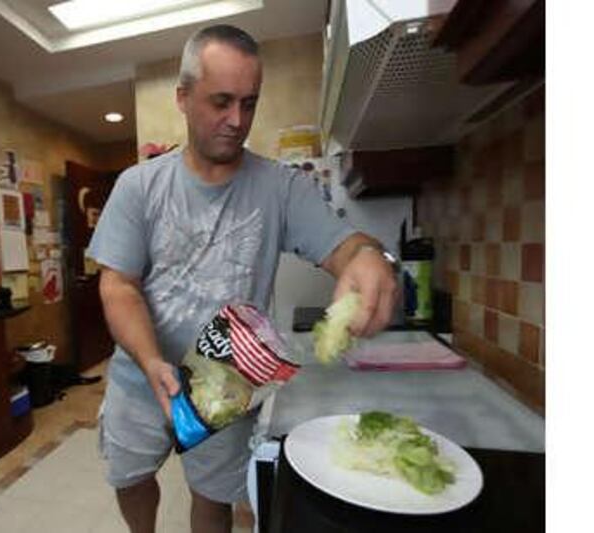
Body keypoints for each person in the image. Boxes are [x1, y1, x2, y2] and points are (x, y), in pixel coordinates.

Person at [87, 24, 399, 533]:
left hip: (225, 384)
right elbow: (118, 285)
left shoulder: (283, 188)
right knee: (131, 477)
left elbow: (346, 246)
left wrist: (366, 256)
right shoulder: (138, 187)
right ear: (183, 98)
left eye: (249, 103)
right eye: (221, 101)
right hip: (138, 379)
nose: (237, 121)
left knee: (212, 496)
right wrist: (149, 363)